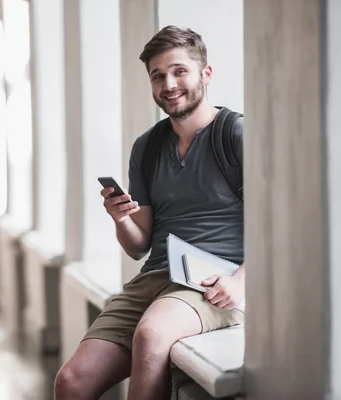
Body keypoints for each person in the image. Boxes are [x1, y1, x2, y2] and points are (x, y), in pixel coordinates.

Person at [54, 25, 245, 400]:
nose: (168, 84)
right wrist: (121, 218)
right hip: (155, 277)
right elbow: (138, 245)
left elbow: (276, 229)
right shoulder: (148, 146)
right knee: (72, 382)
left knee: (152, 334)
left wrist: (241, 281)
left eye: (179, 71)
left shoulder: (236, 135)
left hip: (214, 284)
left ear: (206, 73)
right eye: (158, 76)